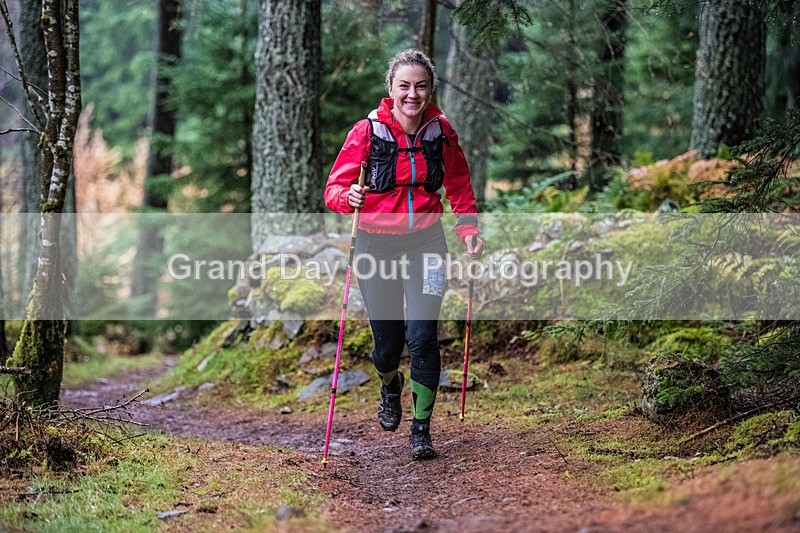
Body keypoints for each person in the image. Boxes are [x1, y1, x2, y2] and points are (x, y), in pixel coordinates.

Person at [324, 49, 484, 460]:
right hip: (376, 245)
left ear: (430, 90)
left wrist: (468, 230)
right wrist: (349, 195)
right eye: (405, 86)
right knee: (387, 347)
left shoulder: (442, 131)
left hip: (426, 243)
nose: (413, 94)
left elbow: (460, 184)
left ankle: (421, 429)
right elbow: (333, 190)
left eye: (421, 86)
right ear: (390, 89)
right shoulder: (366, 132)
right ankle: (389, 385)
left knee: (423, 337)